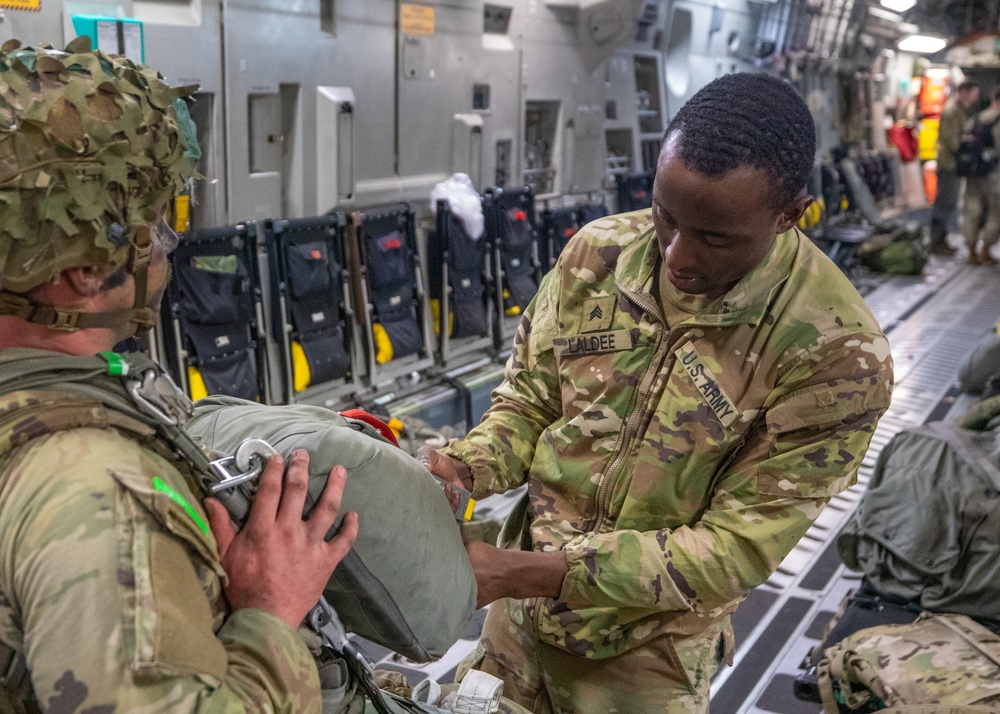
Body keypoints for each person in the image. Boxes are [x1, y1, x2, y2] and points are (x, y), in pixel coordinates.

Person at [419, 73, 894, 714]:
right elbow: (531, 401)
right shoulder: (599, 255)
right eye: (665, 217)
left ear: (790, 214)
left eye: (715, 237)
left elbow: (736, 548)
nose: (675, 255)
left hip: (647, 655)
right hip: (517, 622)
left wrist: (543, 572)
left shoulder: (834, 353)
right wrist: (464, 467)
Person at [0, 39, 359, 712]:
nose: (166, 248)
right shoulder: (97, 490)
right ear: (87, 270)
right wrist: (271, 612)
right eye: (157, 227)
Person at [930, 80, 980, 255]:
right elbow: (952, 141)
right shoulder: (952, 111)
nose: (975, 98)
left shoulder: (958, 109)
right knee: (944, 203)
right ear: (964, 91)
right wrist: (967, 145)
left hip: (952, 164)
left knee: (948, 204)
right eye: (974, 93)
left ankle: (940, 240)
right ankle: (936, 242)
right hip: (948, 165)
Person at [962, 87, 1000, 265]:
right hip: (994, 174)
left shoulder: (976, 118)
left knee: (972, 209)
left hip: (973, 172)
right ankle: (985, 250)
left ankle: (971, 251)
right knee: (995, 212)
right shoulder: (997, 120)